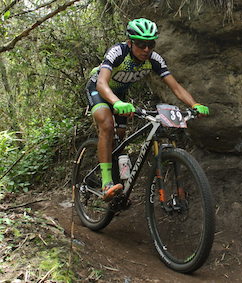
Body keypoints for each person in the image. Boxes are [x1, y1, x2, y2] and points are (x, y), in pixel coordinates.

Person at [86, 18, 209, 201]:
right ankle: (106, 183)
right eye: (141, 44)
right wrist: (116, 103)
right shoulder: (118, 52)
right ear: (130, 42)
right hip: (99, 89)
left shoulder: (154, 59)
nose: (146, 49)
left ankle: (118, 177)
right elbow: (103, 82)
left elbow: (175, 87)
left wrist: (194, 104)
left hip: (119, 94)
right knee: (107, 124)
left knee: (120, 136)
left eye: (150, 44)